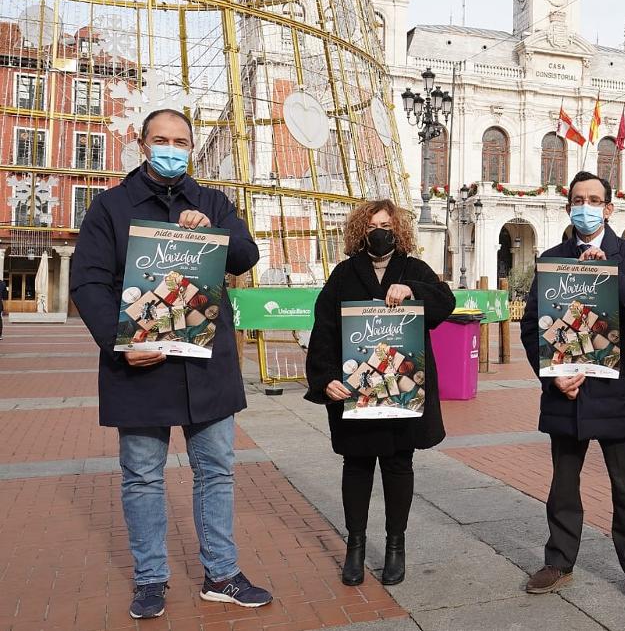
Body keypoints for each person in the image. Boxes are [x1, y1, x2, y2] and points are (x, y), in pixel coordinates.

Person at [70, 108, 272, 620]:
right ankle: (150, 578)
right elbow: (88, 282)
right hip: (139, 363)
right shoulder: (110, 208)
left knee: (216, 472)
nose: (170, 149)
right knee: (141, 475)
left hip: (206, 364)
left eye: (180, 141)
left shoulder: (212, 202)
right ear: (142, 144)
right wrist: (117, 345)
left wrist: (216, 234)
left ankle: (222, 573)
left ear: (191, 146)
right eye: (160, 140)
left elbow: (247, 254)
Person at [520, 170, 625, 603]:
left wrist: (610, 273)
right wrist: (553, 376)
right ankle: (559, 561)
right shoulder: (552, 259)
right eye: (578, 199)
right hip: (567, 390)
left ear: (608, 208)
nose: (586, 206)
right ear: (568, 207)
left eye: (594, 200)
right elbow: (531, 328)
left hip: (617, 391)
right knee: (563, 482)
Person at [304, 199, 454, 587]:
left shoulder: (413, 267)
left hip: (401, 393)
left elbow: (445, 304)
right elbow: (323, 331)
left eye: (386, 224)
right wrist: (324, 379)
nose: (379, 231)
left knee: (398, 467)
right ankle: (355, 547)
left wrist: (413, 289)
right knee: (356, 467)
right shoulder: (343, 274)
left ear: (397, 228)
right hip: (355, 392)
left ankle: (394, 547)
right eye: (372, 225)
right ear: (360, 231)